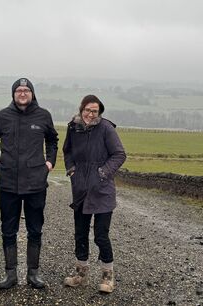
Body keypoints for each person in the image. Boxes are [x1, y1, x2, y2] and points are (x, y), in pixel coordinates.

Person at [0, 78, 58, 289]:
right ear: (13, 94)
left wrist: (49, 162)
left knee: (35, 230)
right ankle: (10, 275)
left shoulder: (44, 115)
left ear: (32, 93)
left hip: (36, 183)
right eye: (19, 90)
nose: (22, 93)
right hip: (8, 184)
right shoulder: (2, 116)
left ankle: (33, 274)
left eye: (26, 90)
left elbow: (52, 140)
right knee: (8, 230)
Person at [62, 94, 126, 293]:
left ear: (99, 112)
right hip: (80, 188)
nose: (90, 114)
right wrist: (72, 169)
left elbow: (119, 154)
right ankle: (80, 274)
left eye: (95, 111)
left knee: (100, 235)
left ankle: (108, 276)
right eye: (88, 110)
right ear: (81, 109)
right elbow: (67, 151)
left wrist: (102, 172)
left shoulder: (106, 128)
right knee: (80, 233)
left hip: (102, 190)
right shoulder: (73, 127)